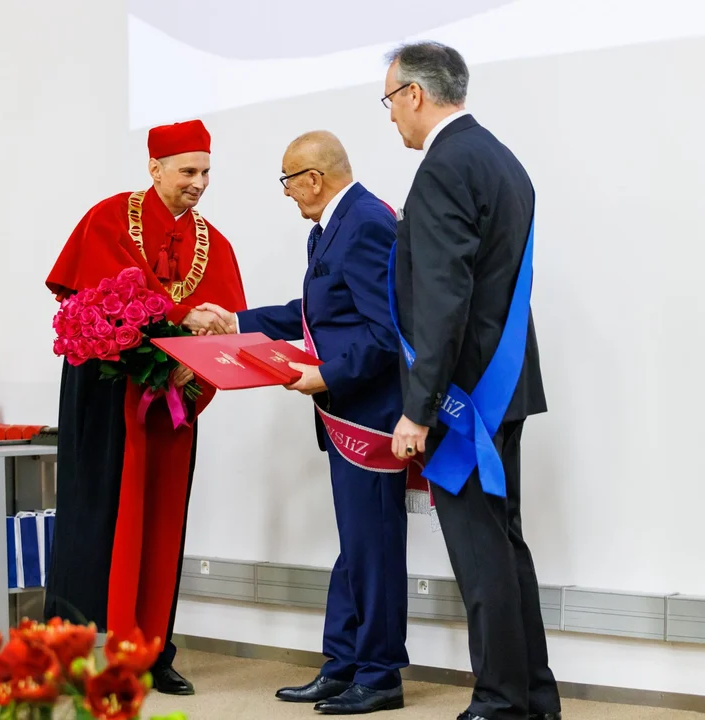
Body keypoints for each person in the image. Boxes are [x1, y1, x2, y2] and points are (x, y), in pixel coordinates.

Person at [198, 132, 408, 714]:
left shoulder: (365, 222)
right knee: (357, 545)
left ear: (313, 177)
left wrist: (327, 377)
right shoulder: (331, 228)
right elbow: (319, 312)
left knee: (377, 546)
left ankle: (381, 673)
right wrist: (237, 320)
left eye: (288, 180)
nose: (287, 193)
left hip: (369, 415)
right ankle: (343, 664)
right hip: (347, 413)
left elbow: (386, 334)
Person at [383, 42, 563, 720]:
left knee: (481, 550)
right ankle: (533, 696)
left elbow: (442, 300)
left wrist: (418, 409)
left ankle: (499, 701)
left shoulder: (443, 168)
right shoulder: (499, 159)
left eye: (388, 101)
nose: (391, 117)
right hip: (503, 384)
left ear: (414, 95)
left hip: (464, 400)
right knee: (505, 544)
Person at [43, 119, 246, 696]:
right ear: (155, 168)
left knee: (162, 521)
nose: (199, 183)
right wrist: (178, 320)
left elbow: (227, 325)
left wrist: (195, 361)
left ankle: (152, 649)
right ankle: (79, 648)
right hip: (105, 398)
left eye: (206, 172)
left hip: (170, 402)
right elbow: (92, 300)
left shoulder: (216, 244)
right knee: (96, 516)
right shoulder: (108, 218)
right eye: (188, 171)